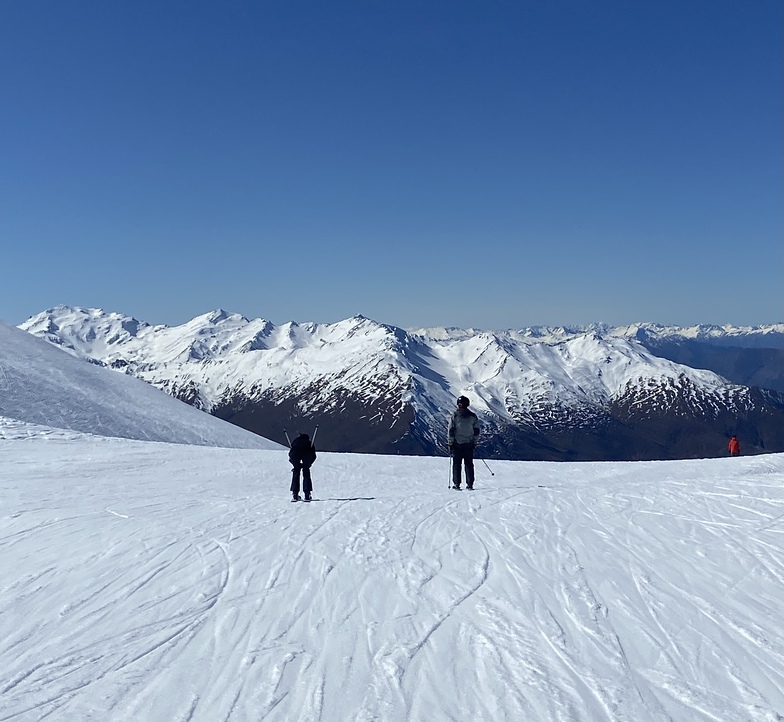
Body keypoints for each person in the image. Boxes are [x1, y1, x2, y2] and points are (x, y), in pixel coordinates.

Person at [448, 395, 481, 490]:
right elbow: (476, 430)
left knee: (457, 464)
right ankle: (470, 484)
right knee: (469, 464)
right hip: (469, 444)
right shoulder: (473, 416)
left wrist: (450, 443)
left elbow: (451, 430)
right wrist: (475, 441)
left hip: (457, 444)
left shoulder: (454, 416)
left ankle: (457, 484)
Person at [289, 432, 317, 501]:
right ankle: (307, 494)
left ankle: (295, 494)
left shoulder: (295, 442)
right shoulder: (309, 443)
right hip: (306, 456)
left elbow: (291, 454)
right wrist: (308, 464)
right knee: (306, 474)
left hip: (295, 456)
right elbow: (313, 456)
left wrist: (295, 464)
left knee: (296, 473)